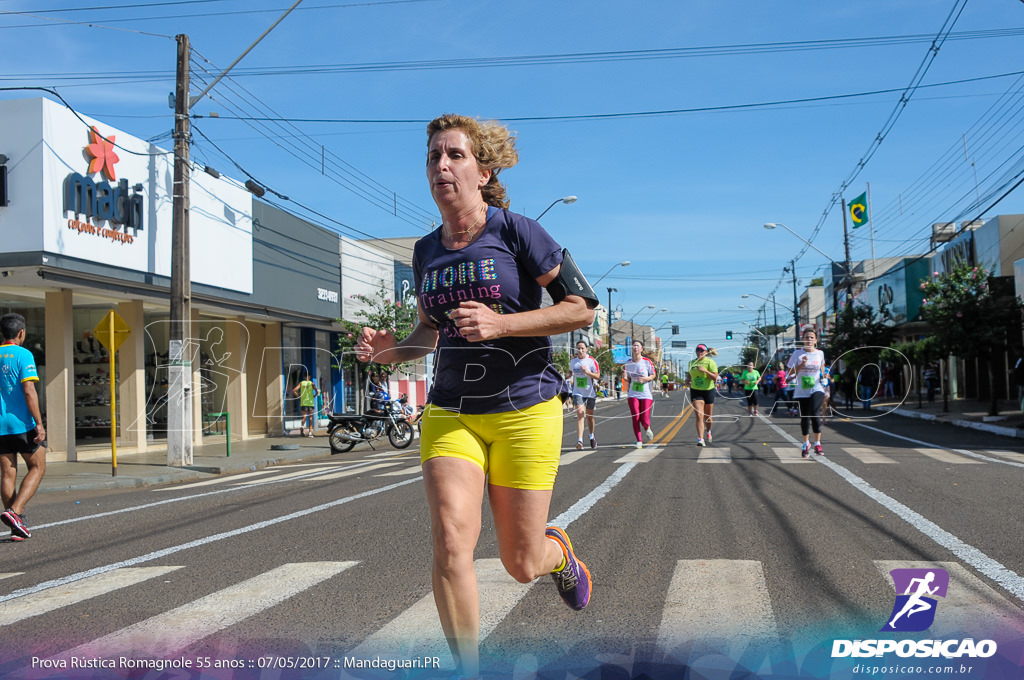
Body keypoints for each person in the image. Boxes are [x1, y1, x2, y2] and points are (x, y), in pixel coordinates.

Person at [354, 114, 595, 677]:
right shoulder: (424, 251)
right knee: (451, 540)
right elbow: (427, 335)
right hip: (452, 411)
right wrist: (391, 350)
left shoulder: (517, 231)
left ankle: (555, 551)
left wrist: (503, 324)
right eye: (433, 156)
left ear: (483, 171)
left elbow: (581, 307)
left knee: (519, 561)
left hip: (525, 406)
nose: (441, 165)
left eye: (454, 155)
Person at [0, 313, 46, 540]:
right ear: (21, 333)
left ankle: (15, 527)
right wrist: (39, 422)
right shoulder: (23, 354)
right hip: (21, 423)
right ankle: (15, 513)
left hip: (0, 425)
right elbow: (29, 391)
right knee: (38, 466)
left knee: (7, 473)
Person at [787, 327, 827, 457]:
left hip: (817, 388)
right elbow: (790, 372)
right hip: (801, 390)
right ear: (803, 340)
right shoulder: (797, 354)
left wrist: (824, 377)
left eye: (811, 337)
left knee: (815, 413)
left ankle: (817, 443)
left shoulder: (819, 353)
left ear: (815, 340)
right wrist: (801, 365)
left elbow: (822, 367)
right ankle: (806, 443)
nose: (809, 339)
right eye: (806, 337)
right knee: (805, 417)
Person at [623, 340, 657, 448]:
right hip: (633, 393)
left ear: (641, 349)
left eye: (637, 346)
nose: (635, 348)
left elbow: (653, 375)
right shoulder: (628, 363)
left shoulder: (646, 362)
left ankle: (647, 428)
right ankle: (639, 440)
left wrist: (646, 378)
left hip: (646, 394)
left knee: (645, 419)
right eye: (633, 346)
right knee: (635, 416)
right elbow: (627, 378)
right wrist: (625, 378)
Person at [569, 341, 600, 449]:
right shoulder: (573, 361)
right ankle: (580, 441)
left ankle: (591, 436)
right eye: (578, 348)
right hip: (578, 392)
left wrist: (587, 372)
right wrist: (566, 376)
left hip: (590, 392)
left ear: (586, 349)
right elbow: (570, 372)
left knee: (589, 417)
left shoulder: (592, 361)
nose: (580, 350)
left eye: (582, 348)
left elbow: (597, 376)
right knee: (580, 414)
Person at [687, 344, 719, 446]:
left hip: (708, 390)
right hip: (696, 390)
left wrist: (705, 370)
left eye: (701, 351)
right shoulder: (691, 363)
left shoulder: (710, 362)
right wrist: (687, 380)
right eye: (697, 350)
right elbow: (689, 374)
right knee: (699, 415)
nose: (699, 352)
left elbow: (715, 378)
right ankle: (700, 438)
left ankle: (708, 431)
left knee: (708, 417)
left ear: (706, 352)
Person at [292, 370, 319, 437]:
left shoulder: (301, 383)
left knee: (304, 416)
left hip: (303, 402)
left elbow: (294, 390)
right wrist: (314, 396)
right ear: (309, 377)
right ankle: (310, 432)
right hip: (310, 402)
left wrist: (299, 396)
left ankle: (302, 426)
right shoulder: (312, 384)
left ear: (304, 377)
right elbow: (317, 391)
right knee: (310, 417)